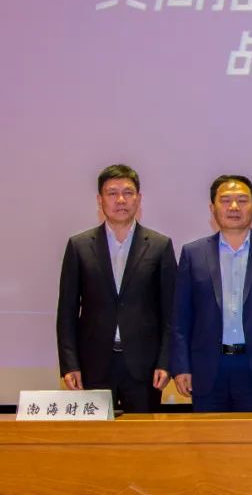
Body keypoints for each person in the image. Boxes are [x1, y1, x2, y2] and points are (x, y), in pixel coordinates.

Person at [56, 164, 176, 412]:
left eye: (128, 193)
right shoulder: (79, 246)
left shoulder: (159, 245)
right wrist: (69, 364)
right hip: (94, 364)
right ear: (100, 200)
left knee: (142, 435)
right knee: (97, 435)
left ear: (138, 199)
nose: (120, 200)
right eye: (112, 193)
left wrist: (166, 361)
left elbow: (170, 313)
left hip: (144, 366)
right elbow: (67, 312)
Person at [171, 175, 252, 411]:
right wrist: (181, 366)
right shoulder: (193, 253)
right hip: (207, 368)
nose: (234, 207)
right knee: (210, 435)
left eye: (242, 200)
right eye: (226, 200)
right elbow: (181, 317)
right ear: (212, 208)